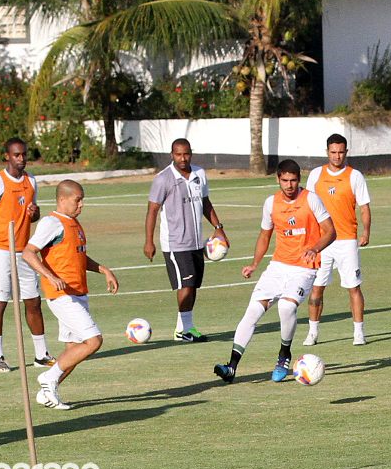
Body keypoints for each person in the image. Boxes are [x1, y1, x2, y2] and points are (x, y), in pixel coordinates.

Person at [214, 160, 336, 384]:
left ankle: (284, 355)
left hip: (304, 267)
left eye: (293, 180)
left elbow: (331, 231)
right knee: (252, 312)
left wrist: (315, 248)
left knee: (286, 306)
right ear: (278, 179)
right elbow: (264, 235)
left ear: (299, 180)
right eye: (285, 180)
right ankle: (231, 367)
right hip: (278, 266)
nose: (289, 185)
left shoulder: (311, 199)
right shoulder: (270, 203)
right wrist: (254, 264)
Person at [23, 180, 119, 409]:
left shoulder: (73, 224)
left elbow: (78, 257)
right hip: (62, 295)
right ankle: (48, 378)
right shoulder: (51, 223)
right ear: (62, 199)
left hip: (78, 293)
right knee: (94, 341)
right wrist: (49, 276)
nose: (81, 204)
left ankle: (47, 393)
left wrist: (103, 270)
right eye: (77, 200)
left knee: (74, 351)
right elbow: (28, 253)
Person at [0, 137, 54, 372]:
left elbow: (33, 215)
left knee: (33, 301)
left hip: (24, 251)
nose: (21, 159)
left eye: (24, 155)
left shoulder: (31, 181)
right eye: (17, 155)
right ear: (7, 156)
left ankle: (41, 354)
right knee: (0, 302)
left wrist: (35, 213)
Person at [144, 138, 228, 342]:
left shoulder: (199, 174)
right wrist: (149, 241)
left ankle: (186, 327)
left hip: (196, 242)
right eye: (178, 154)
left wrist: (218, 228)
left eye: (186, 154)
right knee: (185, 285)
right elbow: (152, 210)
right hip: (175, 243)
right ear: (172, 155)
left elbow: (205, 202)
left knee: (194, 286)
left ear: (191, 153)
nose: (183, 158)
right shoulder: (163, 179)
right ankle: (182, 330)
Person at [302, 133, 372, 346]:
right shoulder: (315, 175)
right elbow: (307, 206)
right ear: (327, 152)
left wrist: (366, 232)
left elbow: (364, 207)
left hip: (347, 240)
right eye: (333, 152)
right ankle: (312, 332)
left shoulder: (355, 176)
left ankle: (358, 332)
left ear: (346, 152)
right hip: (321, 242)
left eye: (341, 152)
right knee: (316, 287)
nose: (337, 156)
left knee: (353, 287)